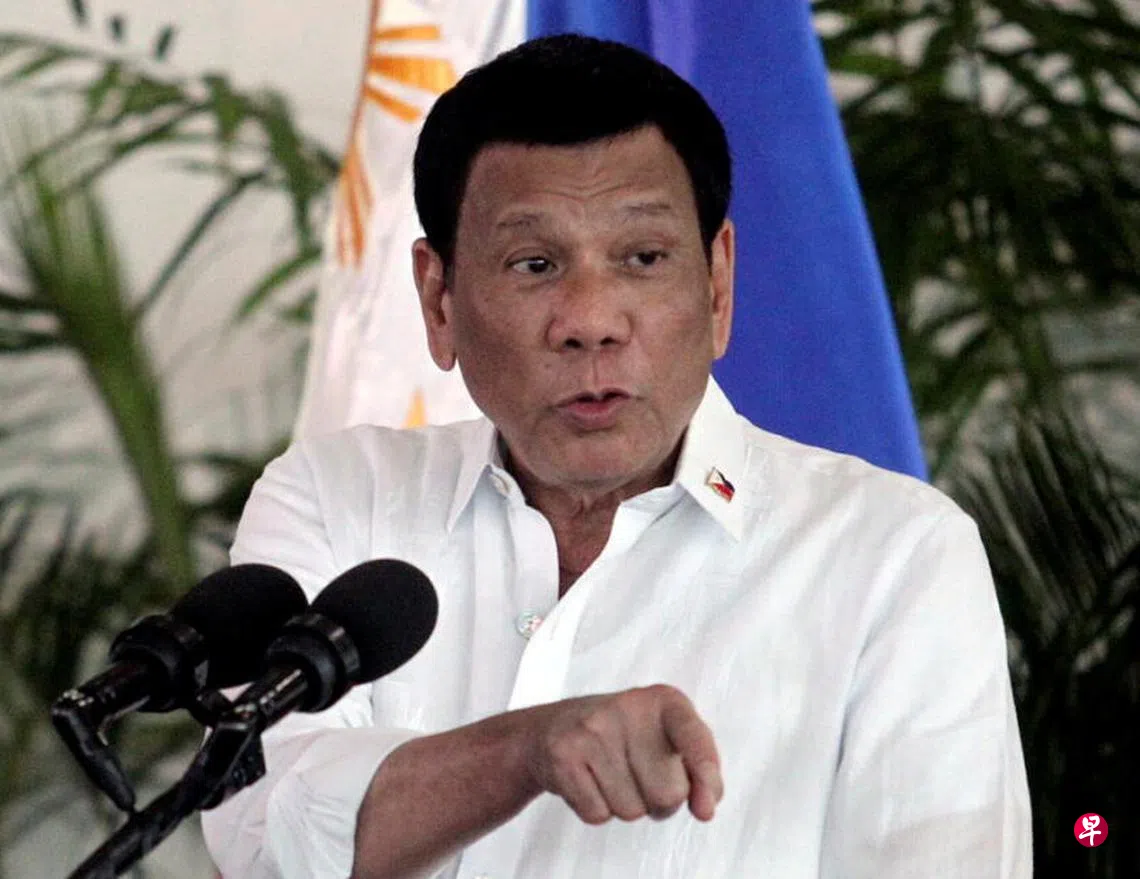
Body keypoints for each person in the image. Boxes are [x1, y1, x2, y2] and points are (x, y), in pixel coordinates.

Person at [202, 34, 1032, 879]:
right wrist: (528, 750)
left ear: (717, 284)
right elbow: (264, 837)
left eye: (643, 258)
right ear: (438, 298)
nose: (591, 320)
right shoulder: (335, 498)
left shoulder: (895, 554)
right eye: (534, 263)